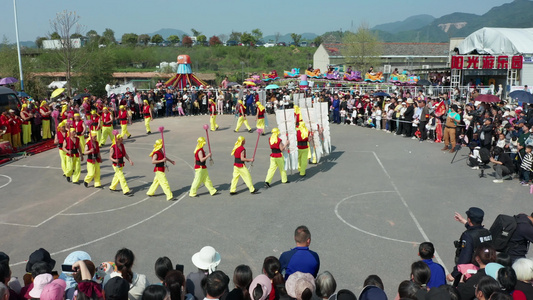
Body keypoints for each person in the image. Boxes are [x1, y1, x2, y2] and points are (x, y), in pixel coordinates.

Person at [448, 208, 492, 282]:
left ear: (469, 219)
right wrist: (464, 222)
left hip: (469, 272)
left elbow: (465, 257)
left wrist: (454, 274)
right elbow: (476, 231)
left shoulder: (468, 235)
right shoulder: (487, 232)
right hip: (483, 270)